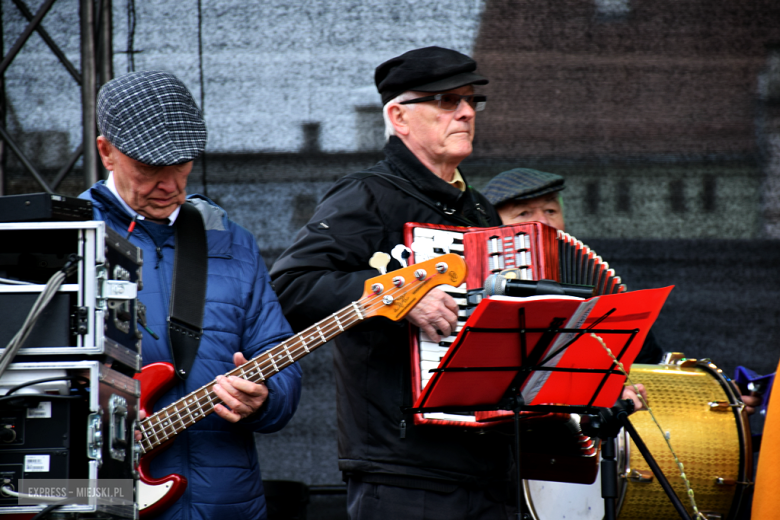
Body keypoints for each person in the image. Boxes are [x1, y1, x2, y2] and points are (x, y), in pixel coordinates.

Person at [270, 47, 512, 519]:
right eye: (445, 101)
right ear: (399, 116)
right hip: (403, 469)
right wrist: (399, 299)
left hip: (491, 464)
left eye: (469, 100)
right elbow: (291, 286)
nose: (465, 111)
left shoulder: (481, 210)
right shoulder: (367, 194)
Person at [80, 70, 302, 520]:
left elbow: (276, 353)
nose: (170, 186)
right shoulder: (60, 239)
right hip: (99, 504)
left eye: (180, 165)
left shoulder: (232, 242)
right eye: (149, 168)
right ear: (106, 151)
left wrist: (267, 397)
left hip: (228, 503)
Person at [482, 167, 662, 367]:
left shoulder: (589, 276)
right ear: (493, 228)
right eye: (524, 213)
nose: (543, 222)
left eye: (551, 211)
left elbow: (645, 361)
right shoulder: (478, 287)